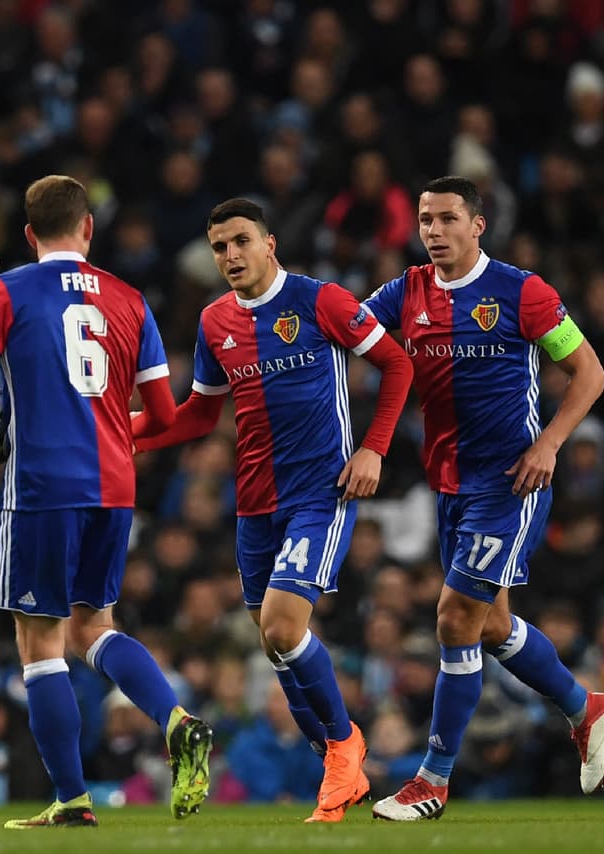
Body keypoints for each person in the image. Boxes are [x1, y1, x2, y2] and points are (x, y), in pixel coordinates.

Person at [0, 174, 212, 828]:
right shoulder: (129, 300)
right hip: (114, 488)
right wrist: (111, 435)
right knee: (95, 626)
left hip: (41, 489)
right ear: (89, 228)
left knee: (40, 644)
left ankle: (71, 799)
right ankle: (176, 718)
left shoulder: (5, 292)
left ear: (29, 234)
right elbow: (165, 416)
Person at [132, 198, 414, 823]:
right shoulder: (213, 322)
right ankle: (336, 768)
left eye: (239, 242)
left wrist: (372, 449)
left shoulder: (323, 302)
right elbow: (200, 415)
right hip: (253, 502)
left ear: (269, 243)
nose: (230, 256)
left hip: (321, 492)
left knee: (284, 628)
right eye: (219, 247)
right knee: (274, 642)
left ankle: (344, 747)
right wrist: (125, 432)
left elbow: (397, 364)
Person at [361, 175, 604, 821]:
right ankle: (582, 707)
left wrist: (550, 444)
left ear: (478, 224)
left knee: (453, 618)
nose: (435, 231)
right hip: (447, 481)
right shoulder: (406, 292)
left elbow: (589, 372)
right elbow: (347, 329)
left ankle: (433, 781)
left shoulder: (522, 292)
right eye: (425, 220)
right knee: (491, 623)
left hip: (510, 481)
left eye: (448, 219)